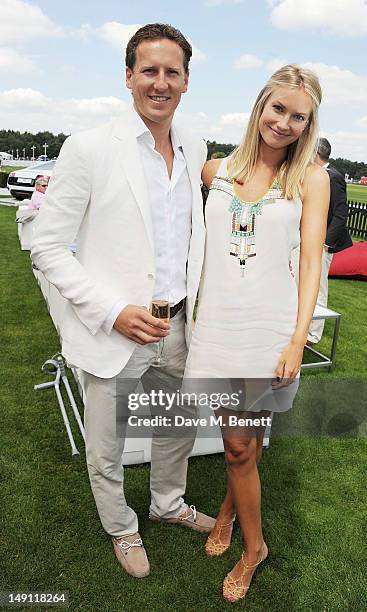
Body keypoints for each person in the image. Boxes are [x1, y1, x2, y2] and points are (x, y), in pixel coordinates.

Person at [31, 23, 214, 580]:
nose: (160, 83)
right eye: (149, 70)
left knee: (176, 428)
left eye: (172, 72)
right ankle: (121, 527)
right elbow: (46, 247)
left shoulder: (196, 147)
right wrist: (114, 311)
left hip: (179, 325)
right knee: (107, 444)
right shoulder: (88, 147)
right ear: (129, 76)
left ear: (186, 80)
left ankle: (167, 504)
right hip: (116, 331)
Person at [184, 65, 329, 602]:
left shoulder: (312, 179)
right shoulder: (213, 172)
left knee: (241, 445)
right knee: (240, 446)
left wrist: (297, 340)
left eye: (299, 116)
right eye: (279, 109)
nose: (285, 123)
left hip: (270, 329)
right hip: (218, 323)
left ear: (308, 124)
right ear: (259, 106)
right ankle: (228, 508)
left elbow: (312, 262)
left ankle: (253, 548)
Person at [307, 137, 352, 344]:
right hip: (309, 241)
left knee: (319, 288)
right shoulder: (316, 175)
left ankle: (314, 334)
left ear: (315, 153)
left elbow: (341, 213)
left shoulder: (332, 176)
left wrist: (325, 243)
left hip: (322, 245)